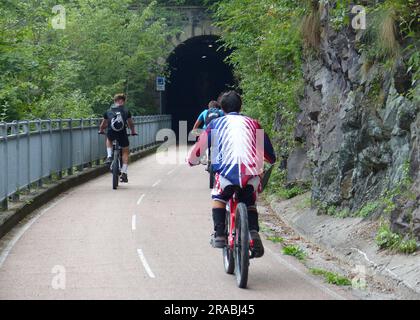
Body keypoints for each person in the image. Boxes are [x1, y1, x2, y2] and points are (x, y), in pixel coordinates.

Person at [187, 91, 276, 258]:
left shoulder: (215, 125)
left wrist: (192, 161)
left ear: (222, 109)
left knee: (218, 197)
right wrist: (267, 161)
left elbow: (199, 149)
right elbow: (270, 154)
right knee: (249, 200)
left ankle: (220, 234)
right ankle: (253, 232)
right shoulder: (254, 124)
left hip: (226, 175)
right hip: (250, 175)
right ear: (240, 106)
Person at [99, 93, 137, 183]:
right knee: (125, 150)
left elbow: (103, 124)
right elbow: (131, 123)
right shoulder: (126, 111)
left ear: (115, 101)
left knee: (109, 139)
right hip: (122, 133)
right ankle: (124, 172)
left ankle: (109, 156)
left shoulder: (108, 111)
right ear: (123, 101)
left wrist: (101, 130)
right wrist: (133, 131)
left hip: (111, 132)